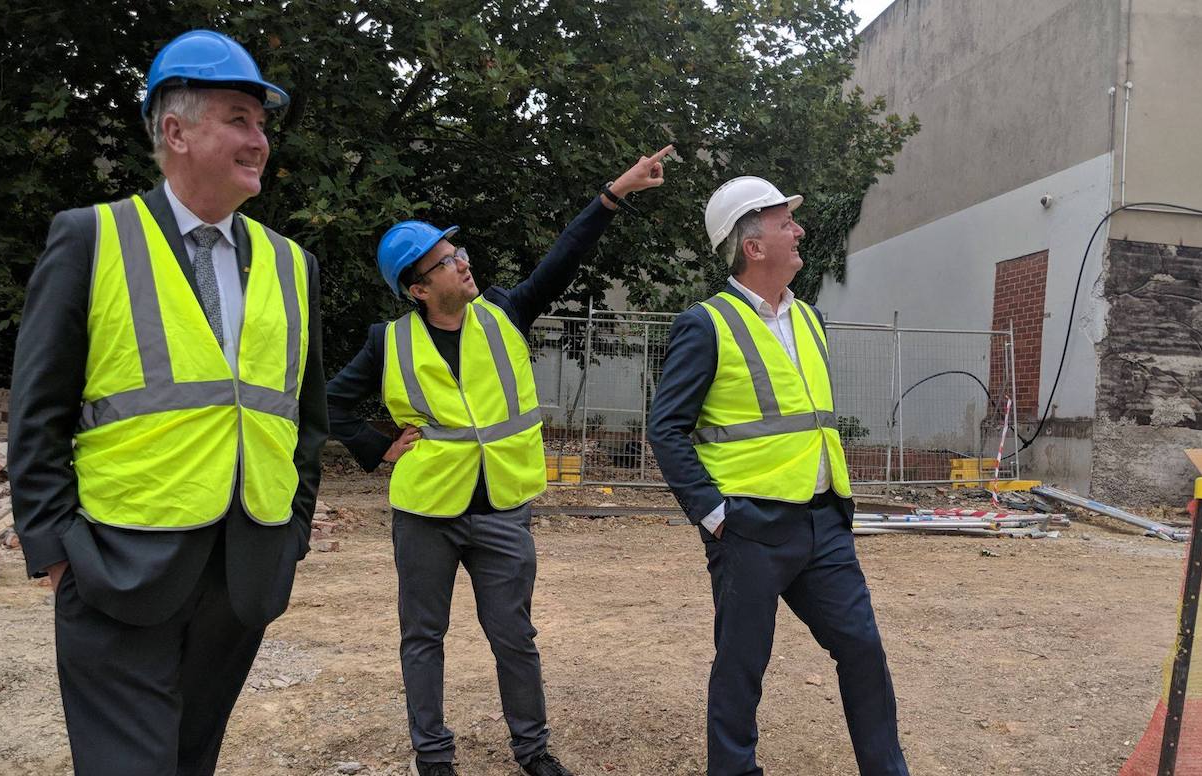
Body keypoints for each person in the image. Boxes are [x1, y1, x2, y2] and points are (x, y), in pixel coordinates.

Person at [9, 29, 327, 776]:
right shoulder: (92, 237)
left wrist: (294, 536)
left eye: (262, 125)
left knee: (190, 761)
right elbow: (38, 411)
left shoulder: (294, 265)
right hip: (117, 564)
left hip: (243, 571)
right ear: (175, 132)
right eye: (238, 119)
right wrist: (57, 555)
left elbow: (303, 421)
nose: (259, 141)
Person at [327, 146, 672, 776]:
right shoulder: (390, 341)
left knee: (515, 639)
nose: (463, 264)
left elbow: (563, 258)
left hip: (503, 511)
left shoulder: (505, 314)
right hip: (425, 513)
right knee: (423, 641)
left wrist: (614, 193)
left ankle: (532, 752)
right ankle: (433, 759)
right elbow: (329, 404)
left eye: (458, 254)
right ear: (417, 286)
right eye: (446, 261)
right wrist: (377, 445)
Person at [647, 176, 909, 776]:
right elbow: (666, 429)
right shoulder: (706, 325)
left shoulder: (810, 320)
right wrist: (715, 515)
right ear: (752, 246)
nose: (799, 230)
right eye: (783, 221)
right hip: (750, 527)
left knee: (863, 650)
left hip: (823, 522)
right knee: (742, 665)